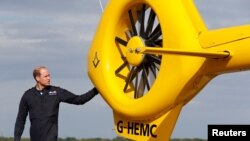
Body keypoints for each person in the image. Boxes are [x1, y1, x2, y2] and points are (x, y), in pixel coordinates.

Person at [14, 66, 99, 141]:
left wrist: (97, 89)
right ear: (37, 78)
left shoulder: (56, 92)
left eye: (49, 75)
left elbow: (79, 100)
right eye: (46, 76)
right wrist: (17, 139)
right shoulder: (28, 95)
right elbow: (20, 120)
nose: (49, 78)